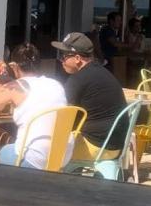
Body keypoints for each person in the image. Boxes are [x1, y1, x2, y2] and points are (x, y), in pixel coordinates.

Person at [0, 43, 69, 168]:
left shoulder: (15, 87)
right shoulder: (56, 84)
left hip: (33, 157)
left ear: (13, 66)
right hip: (61, 155)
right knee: (3, 141)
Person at [51, 32, 127, 160]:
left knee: (40, 151)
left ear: (77, 58)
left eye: (64, 56)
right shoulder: (103, 72)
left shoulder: (78, 79)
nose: (61, 60)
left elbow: (63, 117)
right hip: (116, 146)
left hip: (96, 148)